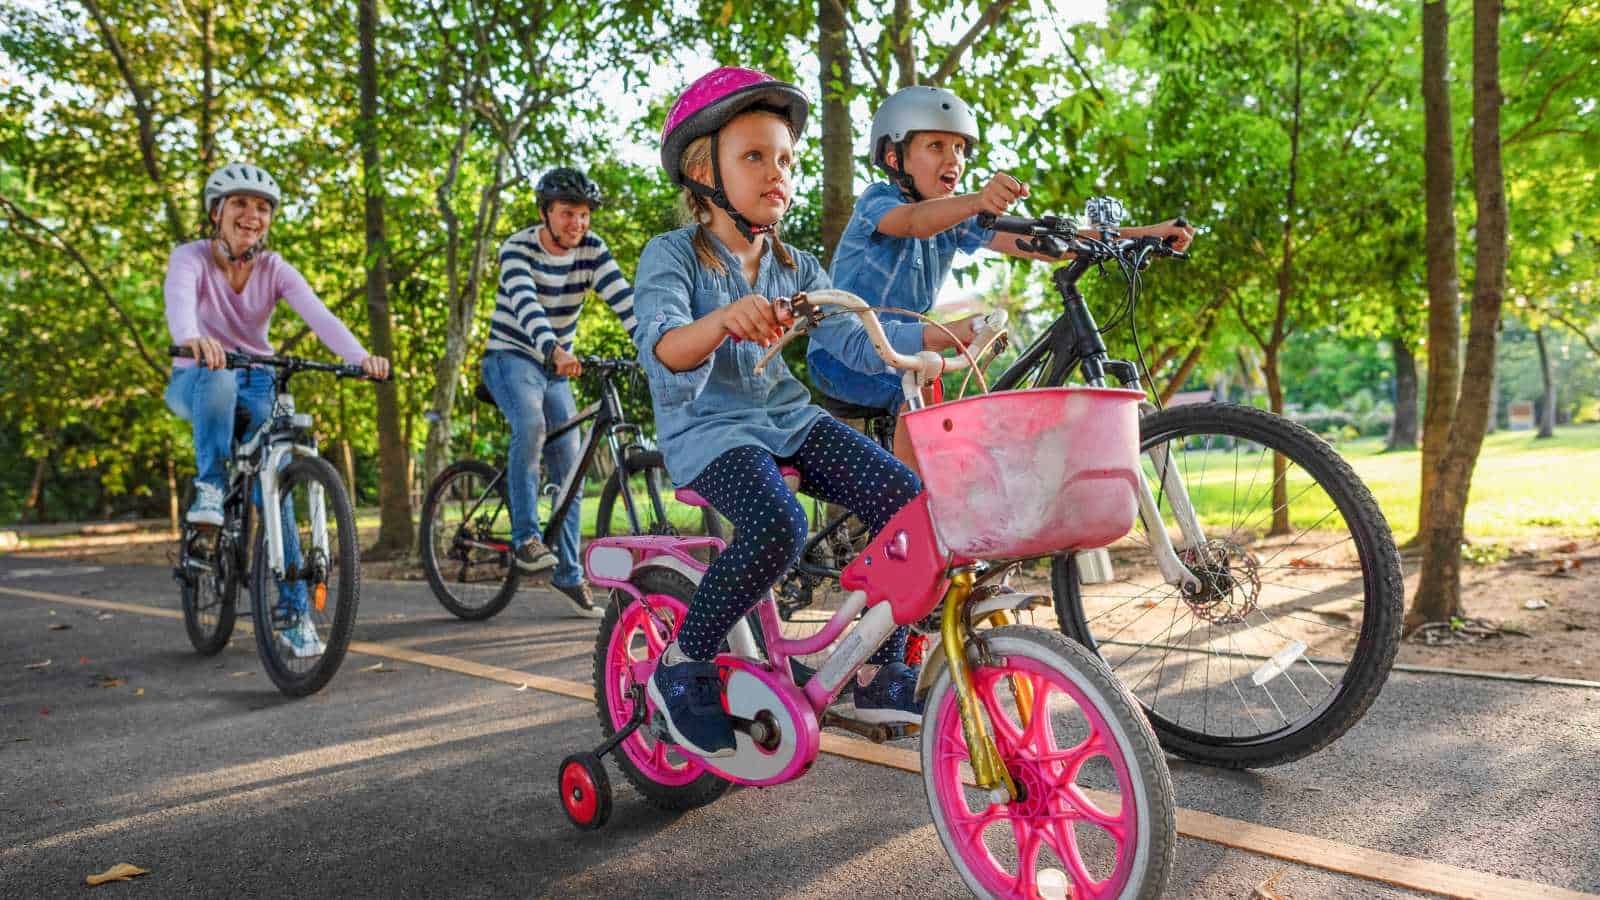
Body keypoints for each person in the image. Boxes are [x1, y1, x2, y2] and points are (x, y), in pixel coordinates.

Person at [632, 67, 942, 758]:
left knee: (905, 500)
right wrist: (722, 321)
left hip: (785, 419)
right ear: (700, 168)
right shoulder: (673, 257)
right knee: (778, 522)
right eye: (754, 157)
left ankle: (880, 665)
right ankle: (684, 662)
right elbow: (667, 349)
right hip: (708, 431)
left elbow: (852, 337)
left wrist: (935, 340)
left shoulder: (797, 266)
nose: (778, 172)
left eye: (786, 160)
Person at [809, 85, 1195, 472]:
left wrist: (1145, 235)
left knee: (936, 396)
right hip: (843, 355)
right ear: (895, 158)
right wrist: (978, 200)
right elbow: (914, 223)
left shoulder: (956, 219)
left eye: (960, 148)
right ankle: (915, 507)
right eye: (936, 146)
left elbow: (1039, 242)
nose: (953, 159)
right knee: (926, 401)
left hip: (904, 355)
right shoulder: (878, 201)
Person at [164, 163, 390, 657]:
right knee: (219, 377)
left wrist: (359, 358)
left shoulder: (274, 269)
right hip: (196, 376)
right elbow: (179, 305)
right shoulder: (190, 258)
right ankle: (210, 487)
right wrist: (193, 340)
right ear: (216, 212)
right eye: (240, 204)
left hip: (258, 377)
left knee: (277, 478)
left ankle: (294, 611)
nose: (252, 215)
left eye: (262, 208)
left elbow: (319, 315)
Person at [481, 167, 637, 617]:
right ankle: (526, 538)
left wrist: (656, 343)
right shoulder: (517, 249)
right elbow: (527, 305)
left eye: (585, 215)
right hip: (511, 357)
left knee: (571, 463)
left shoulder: (592, 251)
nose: (578, 224)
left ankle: (569, 575)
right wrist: (551, 348)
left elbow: (623, 301)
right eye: (569, 214)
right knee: (531, 424)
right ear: (545, 214)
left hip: (555, 366)